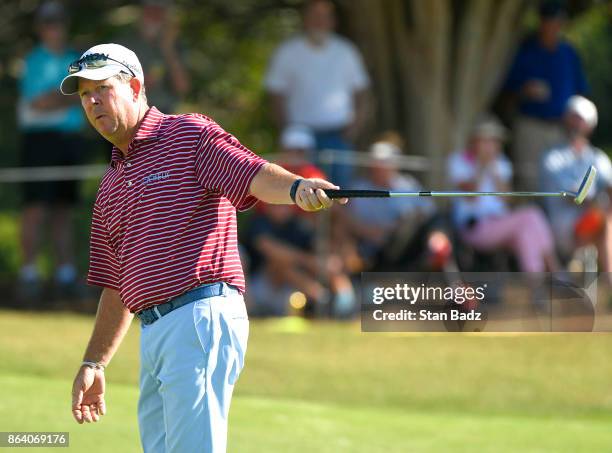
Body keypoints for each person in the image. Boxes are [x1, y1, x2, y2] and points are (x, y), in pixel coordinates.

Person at [62, 43, 345, 452]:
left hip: (198, 316)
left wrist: (297, 187)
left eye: (102, 88)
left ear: (136, 86)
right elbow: (115, 285)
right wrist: (94, 362)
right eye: (84, 94)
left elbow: (251, 174)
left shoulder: (186, 134)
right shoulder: (109, 186)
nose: (91, 102)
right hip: (155, 331)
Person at [244, 125, 355, 317]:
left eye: (301, 150)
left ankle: (344, 305)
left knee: (332, 260)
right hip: (266, 276)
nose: (296, 154)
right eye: (292, 149)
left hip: (303, 244)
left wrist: (337, 250)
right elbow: (268, 247)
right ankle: (322, 301)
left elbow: (330, 216)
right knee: (280, 263)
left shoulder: (314, 175)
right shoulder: (272, 175)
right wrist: (314, 262)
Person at [16, 1, 85, 299]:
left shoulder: (74, 58)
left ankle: (65, 274)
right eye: (48, 22)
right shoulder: (33, 60)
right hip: (39, 141)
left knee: (63, 210)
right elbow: (36, 103)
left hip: (70, 140)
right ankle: (29, 274)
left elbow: (83, 94)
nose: (54, 28)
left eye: (58, 22)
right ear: (40, 28)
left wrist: (59, 96)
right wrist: (68, 94)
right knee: (35, 209)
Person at [264, 0, 370, 188]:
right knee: (300, 191)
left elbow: (361, 92)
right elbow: (275, 95)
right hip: (299, 136)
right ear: (305, 19)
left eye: (324, 16)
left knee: (340, 192)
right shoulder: (287, 52)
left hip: (338, 134)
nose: (319, 21)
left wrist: (353, 129)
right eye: (314, 16)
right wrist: (286, 130)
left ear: (333, 21)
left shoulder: (346, 51)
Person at [447, 116, 558, 273]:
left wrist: (492, 168)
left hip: (499, 223)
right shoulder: (459, 161)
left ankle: (538, 290)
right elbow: (471, 194)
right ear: (475, 141)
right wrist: (481, 165)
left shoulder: (502, 163)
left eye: (494, 141)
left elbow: (506, 198)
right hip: (474, 228)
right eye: (486, 140)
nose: (491, 145)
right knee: (532, 215)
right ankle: (556, 271)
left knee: (526, 234)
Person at [502, 0, 588, 189]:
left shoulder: (568, 53)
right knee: (529, 182)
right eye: (550, 21)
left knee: (561, 184)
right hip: (530, 126)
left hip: (561, 128)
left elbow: (580, 93)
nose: (554, 26)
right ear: (542, 22)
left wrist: (578, 128)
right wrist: (525, 90)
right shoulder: (526, 50)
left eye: (558, 21)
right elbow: (507, 91)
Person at [343, 134, 453, 272]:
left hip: (406, 245)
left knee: (439, 225)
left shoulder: (407, 185)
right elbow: (347, 222)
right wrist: (372, 232)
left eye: (385, 163)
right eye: (377, 163)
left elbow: (430, 212)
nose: (380, 167)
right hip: (373, 250)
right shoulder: (358, 189)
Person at [540, 96, 612, 274]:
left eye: (579, 118)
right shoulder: (552, 157)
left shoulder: (598, 157)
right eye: (572, 117)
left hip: (593, 226)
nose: (575, 123)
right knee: (605, 222)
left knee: (605, 221)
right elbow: (575, 198)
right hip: (564, 231)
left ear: (589, 124)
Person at [116, 0, 190, 113]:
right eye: (150, 10)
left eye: (159, 11)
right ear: (142, 12)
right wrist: (140, 84)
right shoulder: (124, 43)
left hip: (164, 113)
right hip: (131, 111)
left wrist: (168, 49)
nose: (154, 15)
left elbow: (182, 87)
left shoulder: (176, 45)